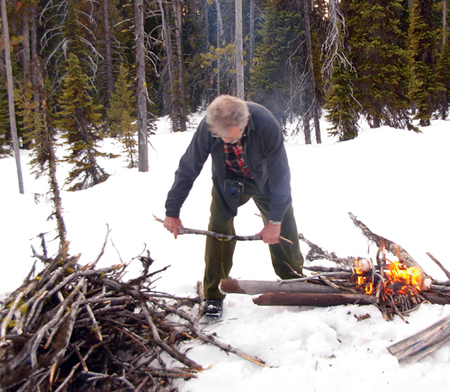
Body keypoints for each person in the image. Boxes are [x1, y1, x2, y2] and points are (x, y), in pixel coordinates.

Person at [163, 95, 303, 318]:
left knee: (284, 229)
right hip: (228, 182)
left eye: (228, 137)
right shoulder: (210, 127)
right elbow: (189, 167)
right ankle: (213, 295)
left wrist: (274, 221)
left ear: (244, 123)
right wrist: (172, 210)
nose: (222, 140)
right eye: (219, 136)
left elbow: (281, 176)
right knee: (218, 231)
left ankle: (296, 282)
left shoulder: (266, 124)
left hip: (266, 182)